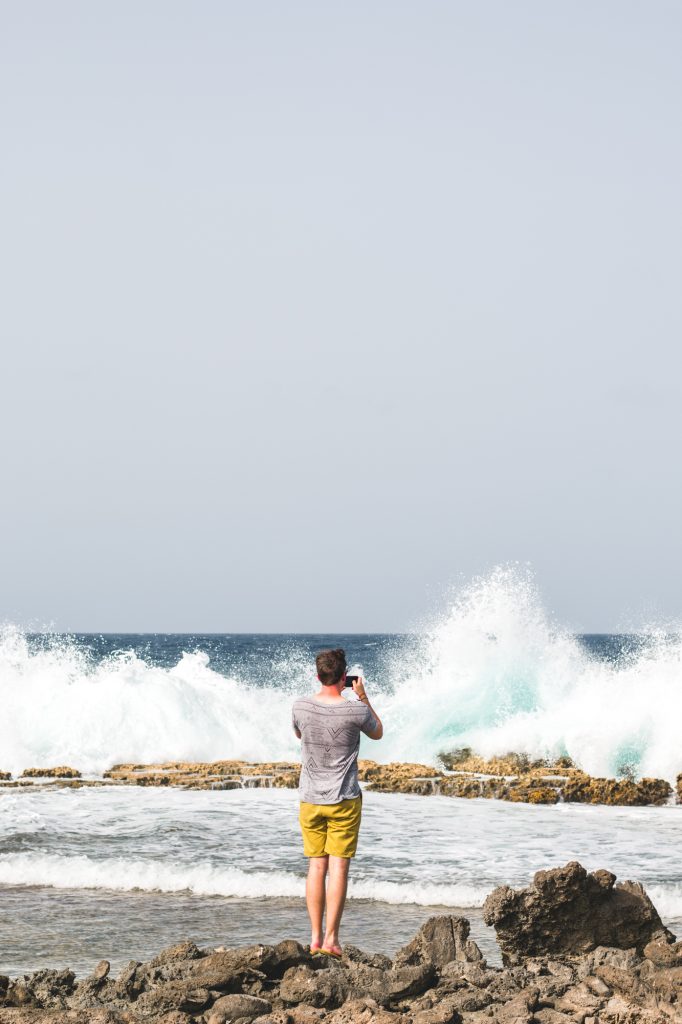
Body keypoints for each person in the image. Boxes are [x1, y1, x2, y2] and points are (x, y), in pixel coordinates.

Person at [292, 647, 383, 958]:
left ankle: (315, 939)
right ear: (345, 677)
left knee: (316, 866)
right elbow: (378, 732)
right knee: (339, 868)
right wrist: (363, 697)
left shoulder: (300, 706)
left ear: (318, 676)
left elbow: (299, 733)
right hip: (343, 799)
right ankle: (332, 939)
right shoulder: (356, 710)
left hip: (310, 799)